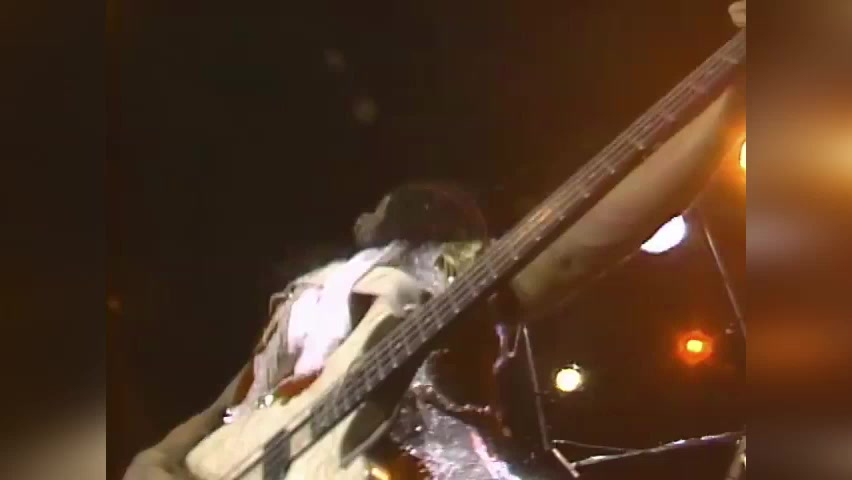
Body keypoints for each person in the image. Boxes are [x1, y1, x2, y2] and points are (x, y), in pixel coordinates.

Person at [123, 3, 746, 479]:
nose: (373, 214)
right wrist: (156, 459)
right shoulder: (305, 303)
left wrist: (735, 98)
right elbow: (228, 412)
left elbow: (572, 250)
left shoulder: (434, 284)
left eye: (399, 207)